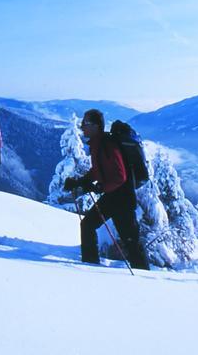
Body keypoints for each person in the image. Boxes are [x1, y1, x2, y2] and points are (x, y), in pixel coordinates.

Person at [63, 109, 149, 269]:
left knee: (131, 242)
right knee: (88, 225)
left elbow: (120, 176)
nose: (82, 127)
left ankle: (147, 278)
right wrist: (79, 182)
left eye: (86, 123)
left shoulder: (107, 144)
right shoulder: (98, 144)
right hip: (113, 197)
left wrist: (101, 187)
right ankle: (90, 266)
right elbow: (98, 170)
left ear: (96, 126)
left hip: (122, 199)